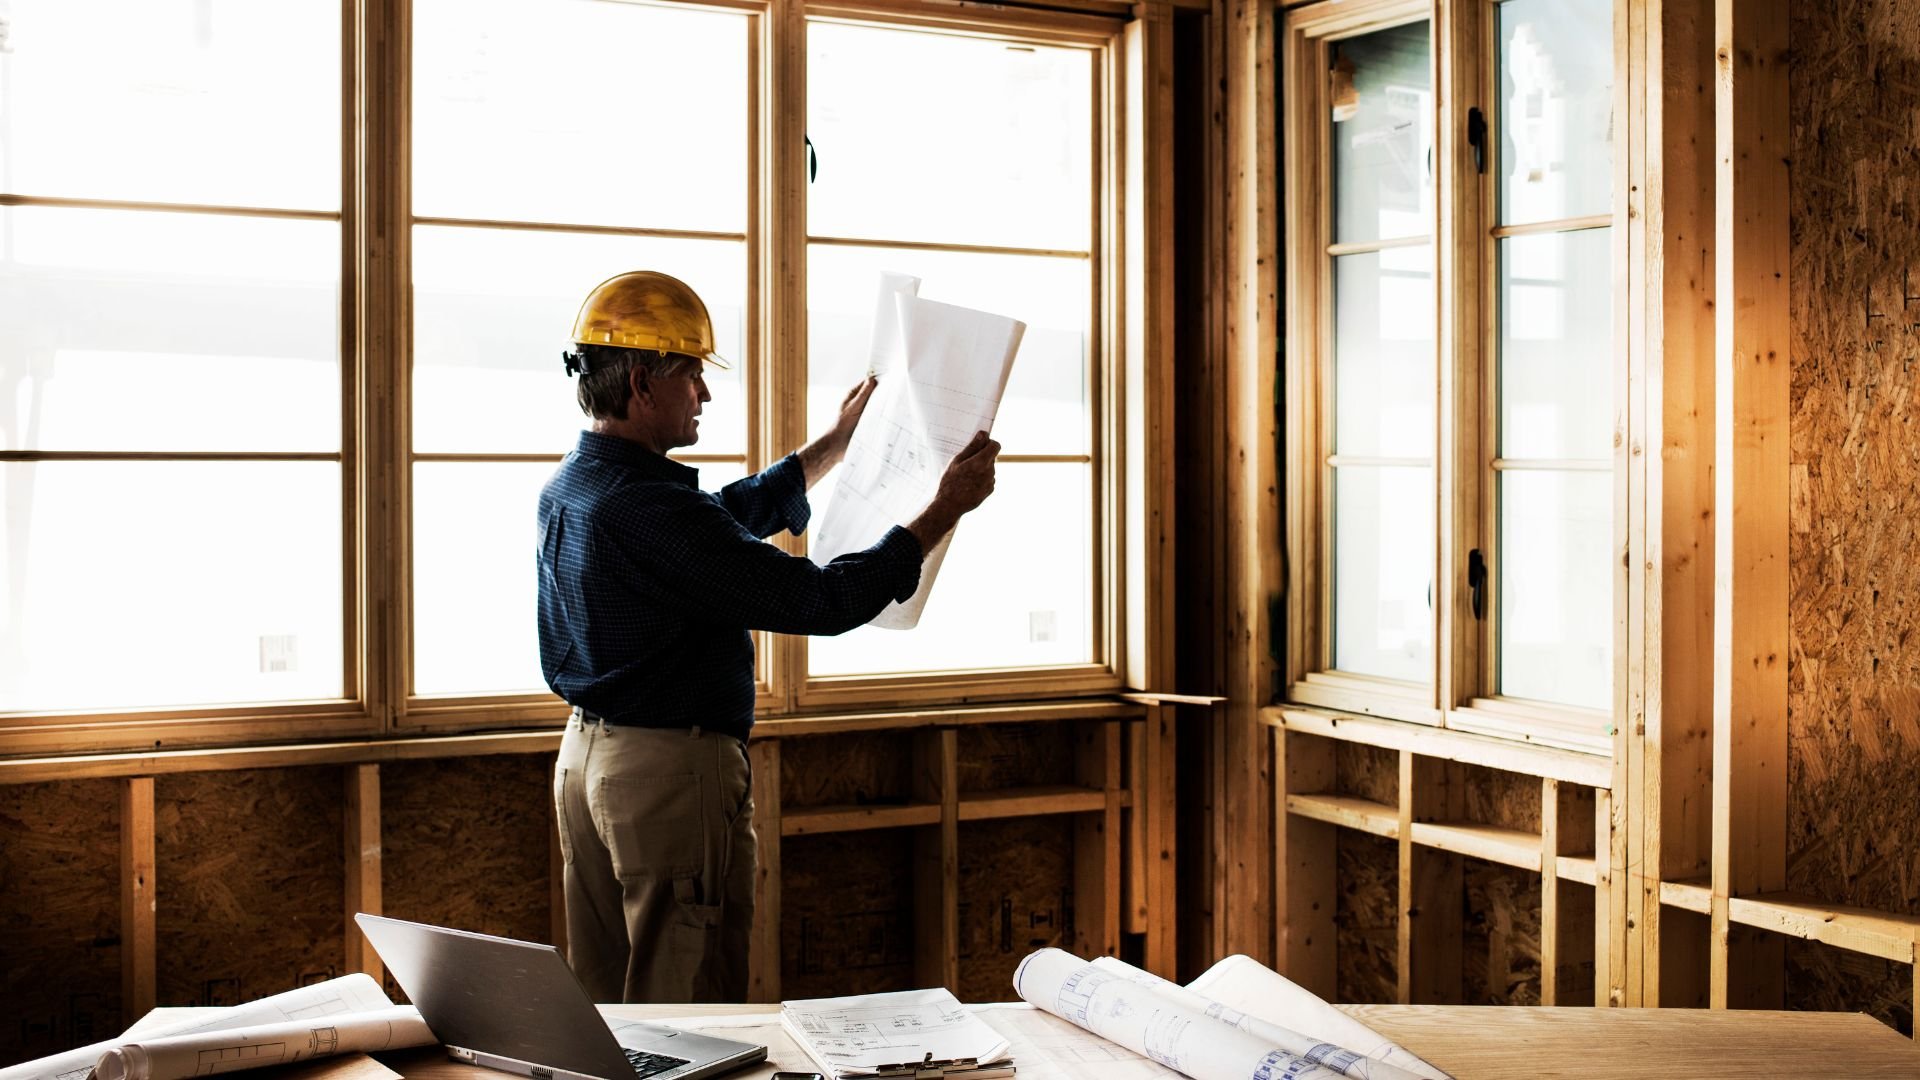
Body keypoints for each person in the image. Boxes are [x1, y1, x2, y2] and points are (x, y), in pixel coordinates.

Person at [538, 270, 998, 1004]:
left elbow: (714, 523)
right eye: (693, 375)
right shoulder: (650, 511)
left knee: (607, 1001)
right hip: (665, 776)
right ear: (643, 384)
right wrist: (943, 510)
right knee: (686, 1006)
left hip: (588, 761)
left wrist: (832, 448)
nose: (706, 395)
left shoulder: (578, 484)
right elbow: (823, 598)